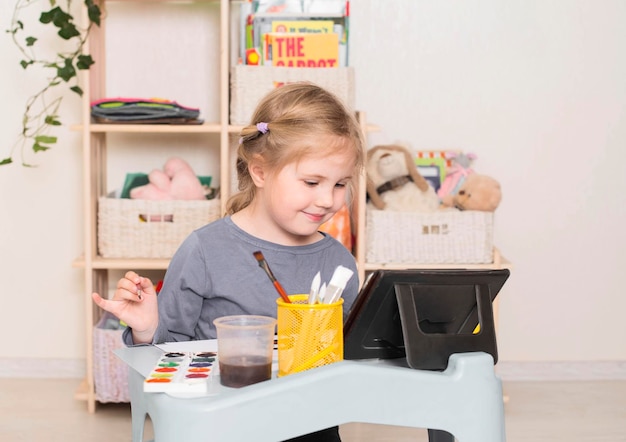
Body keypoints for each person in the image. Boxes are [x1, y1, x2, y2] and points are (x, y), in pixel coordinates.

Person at [92, 82, 365, 442]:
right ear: (261, 172)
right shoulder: (204, 250)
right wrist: (146, 327)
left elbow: (347, 362)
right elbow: (167, 355)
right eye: (312, 181)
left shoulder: (338, 263)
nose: (327, 200)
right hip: (221, 424)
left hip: (310, 424)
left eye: (340, 184)